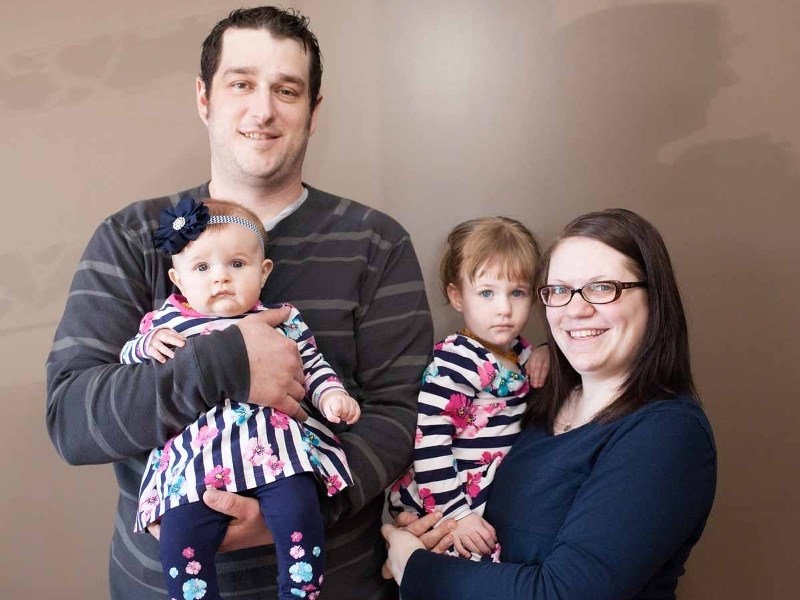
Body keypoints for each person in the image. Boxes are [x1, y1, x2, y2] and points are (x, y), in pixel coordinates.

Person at [45, 6, 433, 600]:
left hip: (335, 581)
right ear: (204, 97)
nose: (263, 109)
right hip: (156, 583)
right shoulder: (131, 237)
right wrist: (226, 364)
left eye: (287, 89)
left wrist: (299, 502)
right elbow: (73, 420)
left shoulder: (376, 243)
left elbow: (399, 413)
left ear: (313, 109)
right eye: (241, 83)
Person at [382, 208, 717, 600]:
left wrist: (418, 567)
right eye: (559, 290)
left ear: (653, 297)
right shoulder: (537, 403)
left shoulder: (666, 435)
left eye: (602, 287)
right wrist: (433, 532)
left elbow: (564, 594)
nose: (575, 310)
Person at [123, 198, 360, 600]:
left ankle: (299, 592)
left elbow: (312, 365)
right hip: (198, 458)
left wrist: (331, 394)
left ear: (263, 272)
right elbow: (127, 360)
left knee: (300, 513)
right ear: (177, 280)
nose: (221, 279)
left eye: (236, 264)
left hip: (274, 449)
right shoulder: (166, 321)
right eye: (202, 268)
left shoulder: (283, 319)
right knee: (180, 538)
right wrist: (147, 344)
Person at [388, 217, 549, 561]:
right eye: (487, 293)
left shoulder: (519, 351)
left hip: (486, 495)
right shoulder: (457, 360)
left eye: (517, 293)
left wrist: (547, 353)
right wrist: (457, 514)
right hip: (447, 498)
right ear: (457, 296)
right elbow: (429, 442)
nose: (504, 308)